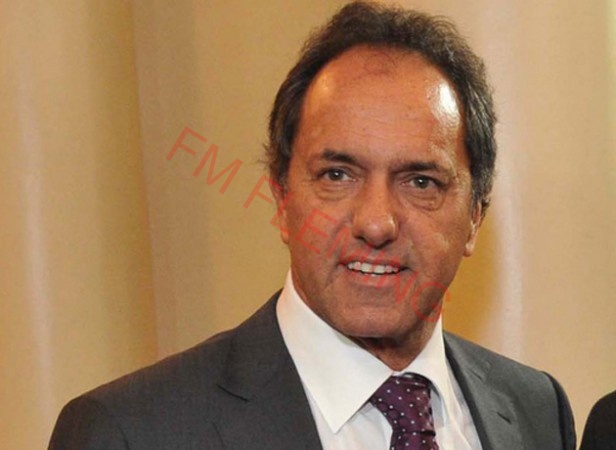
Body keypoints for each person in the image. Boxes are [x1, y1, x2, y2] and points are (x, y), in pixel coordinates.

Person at [48, 2, 576, 449]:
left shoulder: (536, 411)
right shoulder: (131, 431)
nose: (376, 222)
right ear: (282, 198)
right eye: (337, 175)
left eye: (420, 182)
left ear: (476, 215)